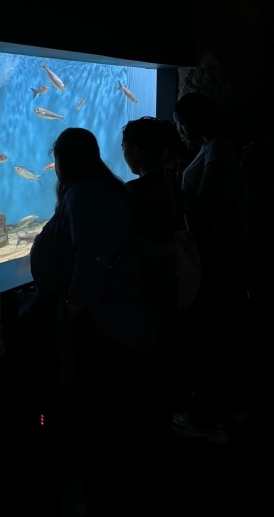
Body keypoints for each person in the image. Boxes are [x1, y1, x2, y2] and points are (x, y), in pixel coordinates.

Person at [29, 127, 157, 516]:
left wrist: (72, 308)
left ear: (65, 161)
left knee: (100, 420)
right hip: (107, 324)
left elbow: (91, 257)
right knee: (107, 418)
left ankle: (104, 497)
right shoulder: (99, 191)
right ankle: (110, 487)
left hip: (101, 328)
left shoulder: (85, 194)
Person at [172, 92, 248, 440]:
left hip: (213, 256)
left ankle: (208, 418)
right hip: (212, 253)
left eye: (182, 121)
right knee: (219, 330)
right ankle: (228, 408)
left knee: (209, 331)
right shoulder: (211, 147)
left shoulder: (219, 148)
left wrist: (176, 189)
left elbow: (205, 203)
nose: (181, 129)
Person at [121, 117, 182, 479]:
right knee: (163, 360)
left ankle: (145, 454)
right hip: (168, 284)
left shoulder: (135, 192)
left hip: (144, 287)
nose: (124, 154)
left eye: (125, 147)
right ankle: (160, 444)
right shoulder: (173, 182)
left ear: (137, 151)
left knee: (143, 366)